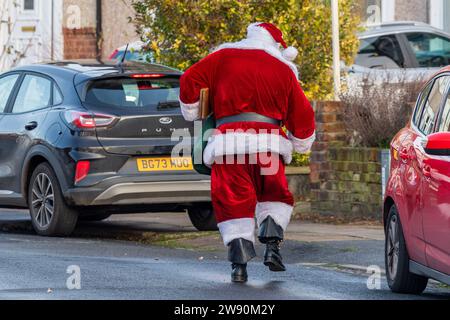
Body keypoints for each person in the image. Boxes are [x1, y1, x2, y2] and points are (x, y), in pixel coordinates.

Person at [179, 22, 316, 283]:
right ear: (276, 45)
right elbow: (302, 114)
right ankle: (273, 247)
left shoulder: (221, 58)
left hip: (229, 147)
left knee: (232, 200)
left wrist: (194, 108)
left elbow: (188, 79)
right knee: (273, 193)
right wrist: (301, 141)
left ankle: (239, 267)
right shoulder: (283, 69)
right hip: (268, 148)